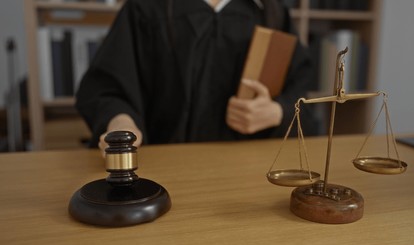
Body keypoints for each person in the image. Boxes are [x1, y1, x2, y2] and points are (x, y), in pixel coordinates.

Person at [75, 0, 319, 153]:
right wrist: (121, 122)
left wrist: (277, 112)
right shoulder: (145, 8)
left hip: (247, 173)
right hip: (161, 171)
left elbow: (301, 97)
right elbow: (105, 88)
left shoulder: (272, 13)